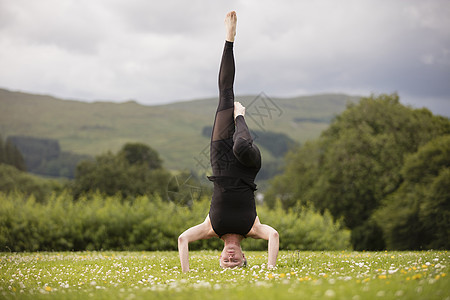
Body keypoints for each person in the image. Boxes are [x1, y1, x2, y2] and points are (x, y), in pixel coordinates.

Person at [178, 11, 279, 272]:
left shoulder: (210, 228)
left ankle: (229, 39)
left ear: (220, 257)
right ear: (245, 257)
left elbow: (183, 239)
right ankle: (241, 116)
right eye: (236, 261)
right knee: (241, 145)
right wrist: (270, 269)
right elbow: (274, 236)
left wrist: (187, 275)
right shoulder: (254, 229)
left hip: (220, 163)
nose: (231, 258)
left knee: (225, 95)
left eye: (227, 261)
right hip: (247, 166)